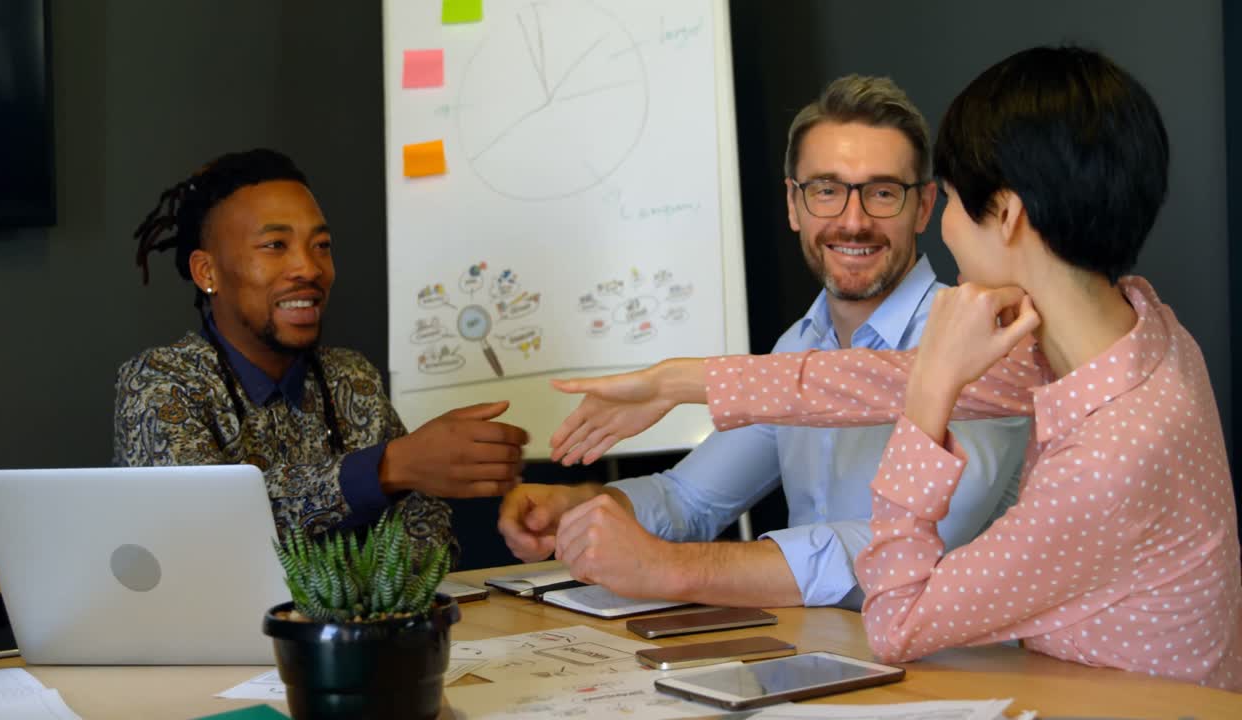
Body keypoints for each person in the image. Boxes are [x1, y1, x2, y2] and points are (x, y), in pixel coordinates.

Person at [546, 48, 1242, 689]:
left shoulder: (1109, 460)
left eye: (946, 202)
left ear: (1006, 215)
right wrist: (674, 381)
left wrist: (932, 390)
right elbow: (849, 381)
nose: (942, 234)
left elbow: (897, 620)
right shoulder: (1146, 334)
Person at [498, 76, 1029, 608]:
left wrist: (674, 569)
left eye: (882, 193)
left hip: (959, 677)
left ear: (925, 207)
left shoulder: (982, 340)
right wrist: (579, 509)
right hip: (820, 659)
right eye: (826, 191)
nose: (853, 220)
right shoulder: (797, 347)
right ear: (794, 205)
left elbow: (907, 550)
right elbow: (688, 500)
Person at [116, 149, 529, 539]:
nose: (308, 268)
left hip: (366, 618)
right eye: (276, 245)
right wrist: (387, 468)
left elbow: (426, 528)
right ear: (208, 271)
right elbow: (198, 529)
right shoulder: (162, 383)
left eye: (321, 246)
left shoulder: (351, 377)